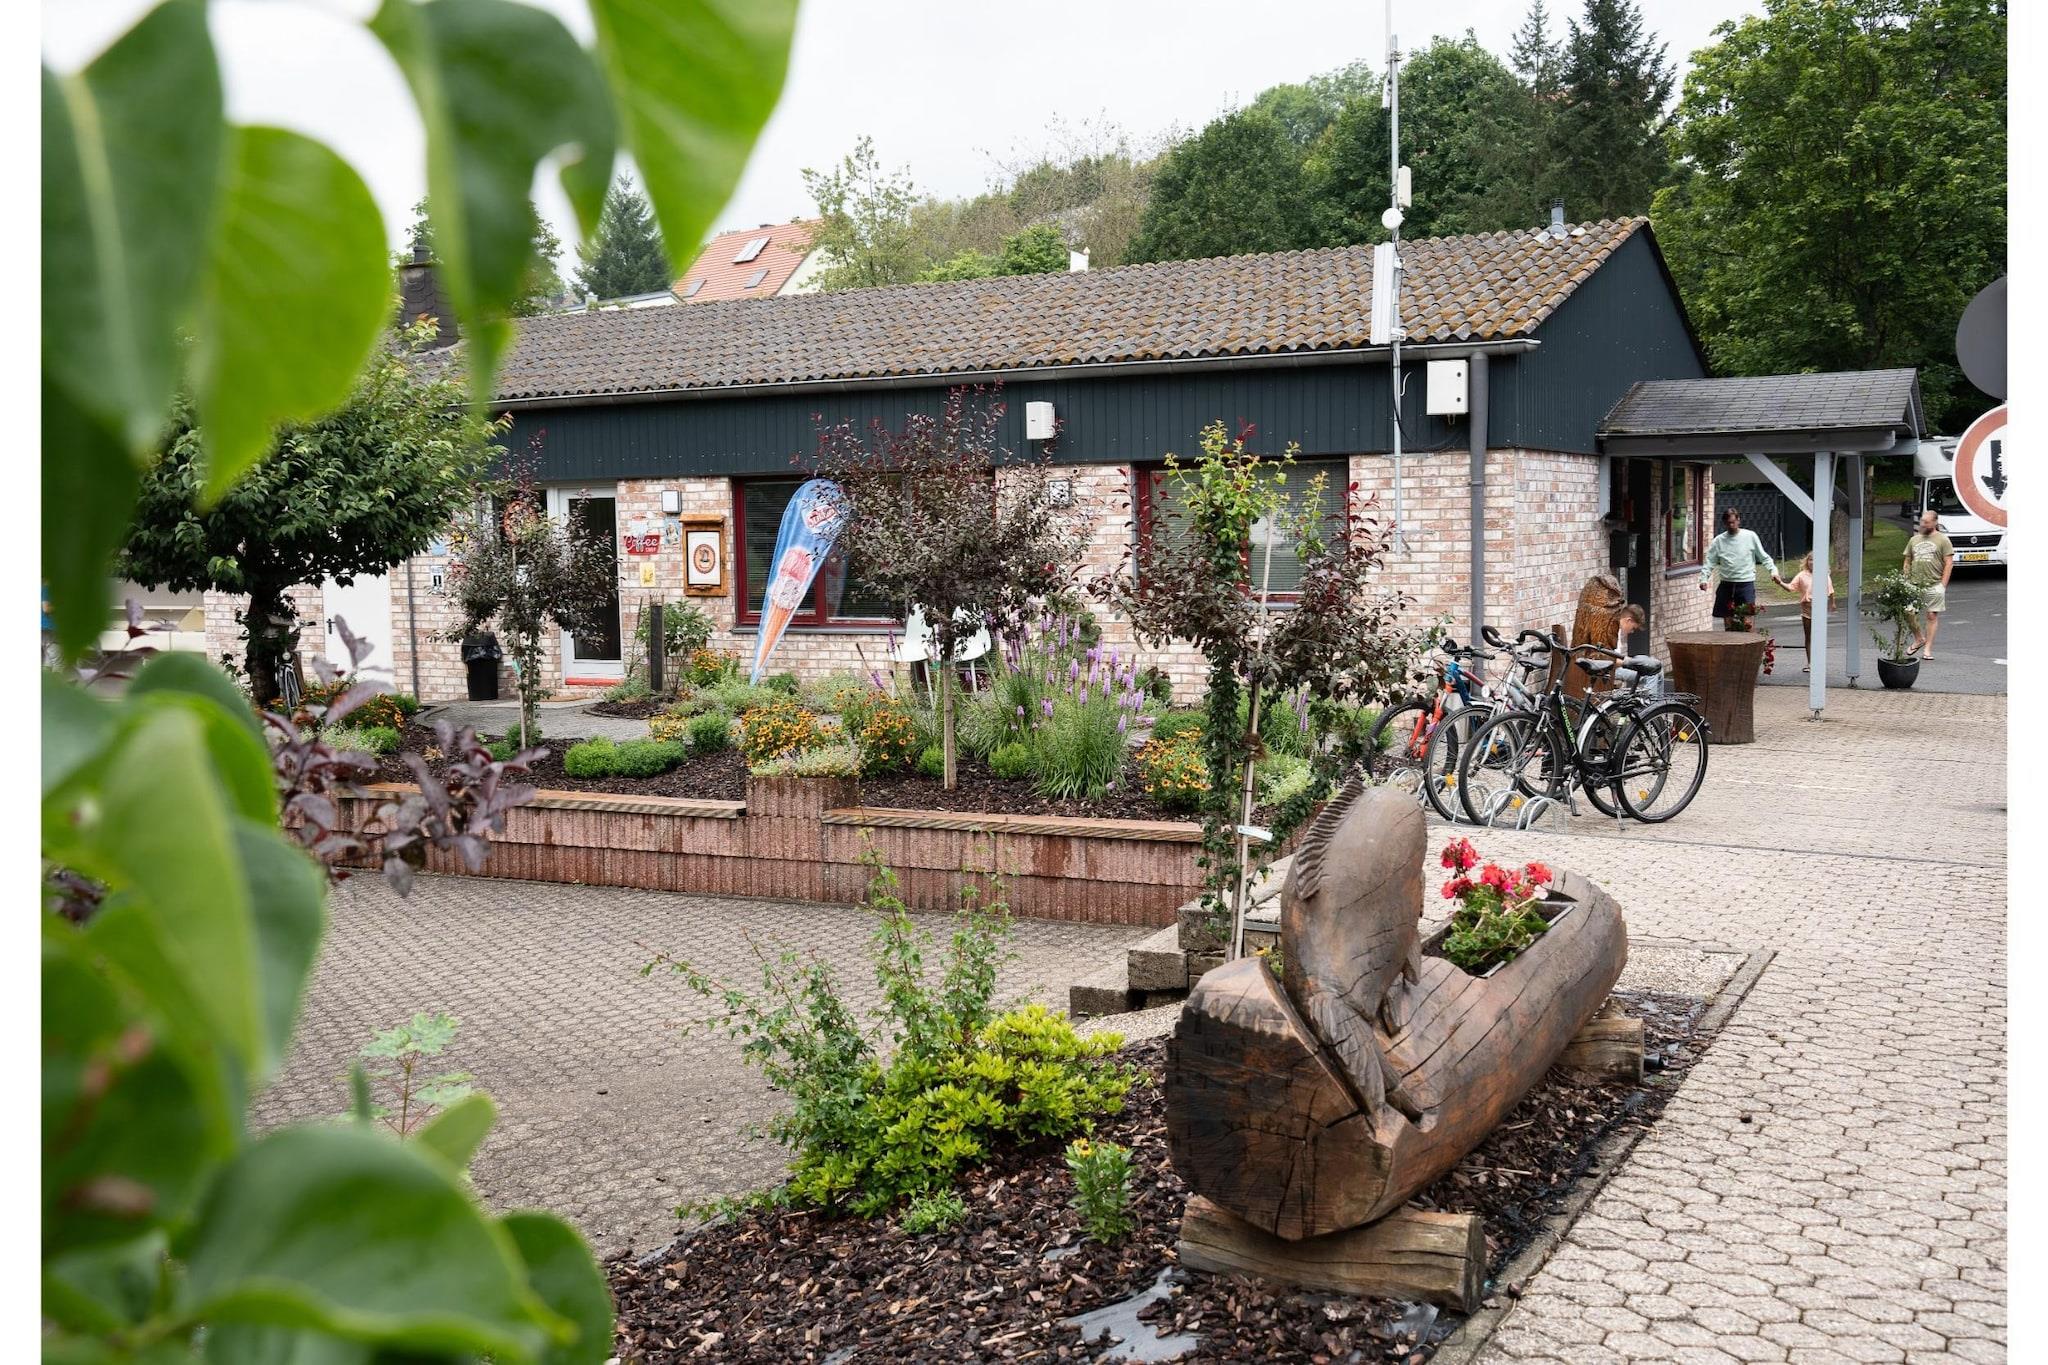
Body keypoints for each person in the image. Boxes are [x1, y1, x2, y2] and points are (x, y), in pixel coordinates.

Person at [1698, 506, 1784, 629]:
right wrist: (1704, 579)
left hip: (1745, 584)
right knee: (1728, 622)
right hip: (1726, 584)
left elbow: (1764, 557)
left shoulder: (1750, 536)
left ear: (1738, 520)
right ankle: (1729, 640)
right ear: (1724, 523)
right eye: (1728, 523)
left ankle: (1748, 640)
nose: (1731, 525)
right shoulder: (1718, 541)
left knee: (1747, 622)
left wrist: (1774, 572)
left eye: (1733, 522)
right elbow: (1709, 562)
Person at [1903, 509, 1954, 659]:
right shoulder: (1914, 539)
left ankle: (1927, 649)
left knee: (1931, 615)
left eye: (1926, 522)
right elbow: (1907, 560)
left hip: (1934, 583)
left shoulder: (1943, 540)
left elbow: (1949, 563)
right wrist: (1905, 578)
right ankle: (1919, 638)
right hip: (1914, 584)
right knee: (1908, 612)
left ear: (1935, 522)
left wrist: (1943, 585)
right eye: (1922, 521)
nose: (1923, 524)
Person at [1783, 552, 1836, 674]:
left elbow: (1830, 590)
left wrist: (1832, 603)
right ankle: (1810, 663)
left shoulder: (1823, 575)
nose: (1812, 562)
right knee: (1809, 636)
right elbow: (1790, 588)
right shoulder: (1802, 575)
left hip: (1820, 609)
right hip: (1807, 608)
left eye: (1814, 560)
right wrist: (1780, 582)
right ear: (1807, 562)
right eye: (1810, 560)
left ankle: (1819, 662)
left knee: (1819, 636)